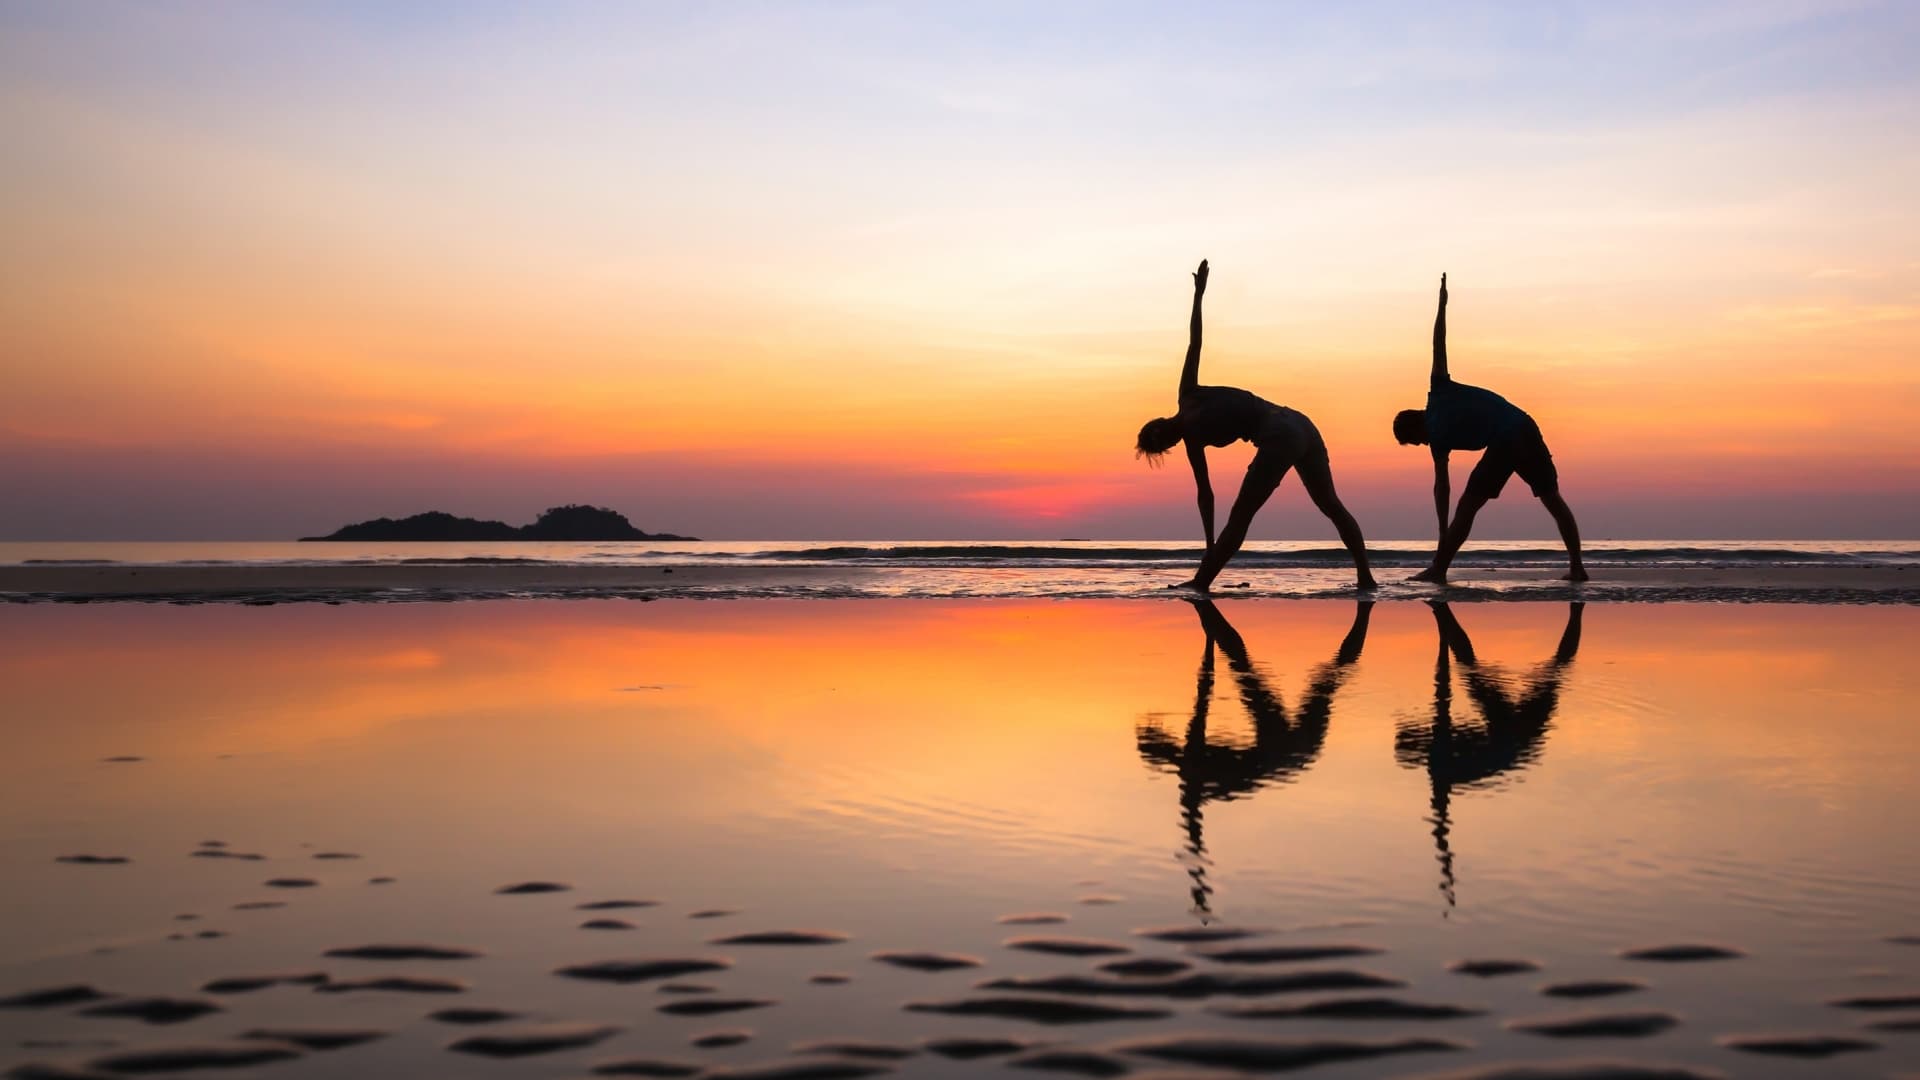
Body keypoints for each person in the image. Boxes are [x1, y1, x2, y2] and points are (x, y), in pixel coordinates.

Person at [1136, 260, 1376, 591]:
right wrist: (1209, 546)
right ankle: (1366, 578)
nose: (1168, 444)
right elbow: (1205, 496)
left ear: (1161, 430)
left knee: (1244, 515)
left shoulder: (1189, 397)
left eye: (1161, 443)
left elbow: (1195, 343)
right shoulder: (1189, 419)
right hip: (1300, 424)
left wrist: (1198, 296)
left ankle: (1201, 584)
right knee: (1330, 505)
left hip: (1280, 433)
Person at [1394, 274, 1586, 583]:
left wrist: (1441, 306)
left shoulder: (1439, 391)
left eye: (1415, 441)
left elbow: (1438, 343)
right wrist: (1443, 529)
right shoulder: (1438, 428)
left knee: (1469, 505)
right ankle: (1577, 568)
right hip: (1524, 425)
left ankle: (1438, 570)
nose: (1420, 445)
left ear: (1416, 424)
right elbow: (1440, 487)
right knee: (1551, 498)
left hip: (1508, 436)